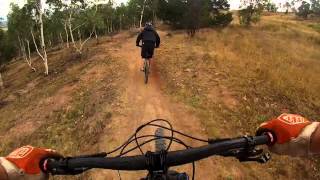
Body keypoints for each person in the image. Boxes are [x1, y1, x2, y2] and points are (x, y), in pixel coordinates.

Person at [0, 113, 318, 179]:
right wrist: (309, 136)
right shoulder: (152, 33)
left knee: (145, 53)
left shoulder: (144, 34)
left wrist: (10, 168)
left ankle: (146, 62)